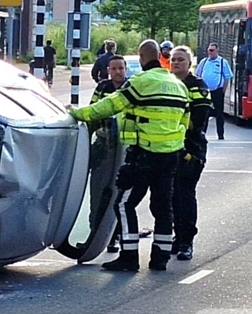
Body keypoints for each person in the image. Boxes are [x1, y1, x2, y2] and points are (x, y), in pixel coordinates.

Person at [69, 39, 190, 272]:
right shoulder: (177, 85)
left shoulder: (140, 82)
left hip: (143, 154)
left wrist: (76, 114)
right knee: (163, 207)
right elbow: (185, 121)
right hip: (170, 156)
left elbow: (108, 107)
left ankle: (129, 256)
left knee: (124, 204)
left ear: (142, 58)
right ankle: (160, 258)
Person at [169, 45, 210, 261]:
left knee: (184, 195)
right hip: (167, 149)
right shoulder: (166, 84)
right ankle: (175, 238)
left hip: (190, 150)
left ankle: (186, 241)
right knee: (170, 197)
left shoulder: (198, 87)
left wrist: (170, 122)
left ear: (190, 63)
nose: (176, 63)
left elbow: (198, 122)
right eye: (173, 59)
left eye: (181, 60)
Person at [89, 55, 129, 253]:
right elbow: (93, 111)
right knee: (98, 191)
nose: (118, 72)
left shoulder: (132, 87)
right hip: (104, 146)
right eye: (114, 69)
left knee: (121, 195)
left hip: (124, 148)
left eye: (121, 68)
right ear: (108, 70)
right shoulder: (103, 88)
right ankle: (95, 234)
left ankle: (117, 235)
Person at [196, 42, 233, 140]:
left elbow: (227, 77)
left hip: (217, 91)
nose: (210, 52)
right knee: (204, 113)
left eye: (212, 50)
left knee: (219, 114)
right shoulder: (203, 62)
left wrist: (223, 91)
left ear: (217, 50)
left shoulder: (222, 62)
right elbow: (198, 75)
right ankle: (202, 133)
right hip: (205, 92)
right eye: (209, 50)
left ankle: (220, 135)